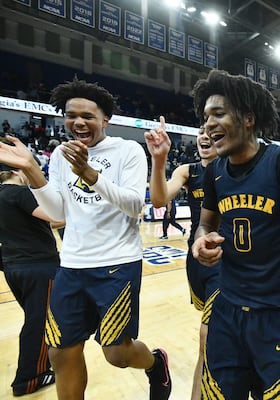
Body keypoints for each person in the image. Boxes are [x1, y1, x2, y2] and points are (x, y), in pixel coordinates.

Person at [0, 78, 171, 400]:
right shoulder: (62, 155)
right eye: (71, 115)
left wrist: (90, 174)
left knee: (116, 354)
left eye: (88, 116)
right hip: (72, 265)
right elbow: (57, 213)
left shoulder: (127, 150)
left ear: (105, 119)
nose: (78, 122)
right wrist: (33, 170)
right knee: (60, 352)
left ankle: (154, 363)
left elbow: (136, 206)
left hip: (117, 265)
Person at [190, 69, 280, 399]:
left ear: (248, 118)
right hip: (227, 312)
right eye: (206, 117)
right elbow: (206, 223)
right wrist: (200, 240)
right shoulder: (215, 173)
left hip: (277, 316)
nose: (208, 124)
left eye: (218, 114)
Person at [145, 121, 217, 400]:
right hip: (196, 258)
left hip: (227, 260)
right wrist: (159, 159)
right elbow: (160, 199)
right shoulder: (188, 171)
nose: (204, 137)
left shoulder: (235, 169)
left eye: (211, 132)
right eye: (200, 132)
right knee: (211, 337)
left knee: (206, 337)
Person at [0, 163, 60, 396]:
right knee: (40, 323)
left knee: (36, 318)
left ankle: (41, 365)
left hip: (13, 267)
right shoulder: (20, 193)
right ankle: (29, 378)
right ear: (17, 170)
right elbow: (54, 216)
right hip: (37, 267)